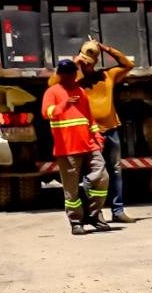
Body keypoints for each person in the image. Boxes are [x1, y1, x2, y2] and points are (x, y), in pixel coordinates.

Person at [42, 59, 110, 236]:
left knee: (102, 177)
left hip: (89, 145)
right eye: (65, 73)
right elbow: (47, 112)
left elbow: (89, 119)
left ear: (75, 74)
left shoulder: (81, 91)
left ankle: (94, 215)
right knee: (71, 189)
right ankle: (76, 221)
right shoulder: (52, 92)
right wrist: (64, 105)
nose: (69, 76)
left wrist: (97, 138)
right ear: (59, 74)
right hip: (67, 149)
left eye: (71, 73)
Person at [72, 41, 136, 222]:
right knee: (93, 173)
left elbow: (128, 64)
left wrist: (106, 48)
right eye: (84, 61)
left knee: (115, 170)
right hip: (91, 133)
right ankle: (95, 212)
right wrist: (75, 63)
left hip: (112, 129)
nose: (87, 65)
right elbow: (54, 83)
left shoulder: (107, 75)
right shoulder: (75, 81)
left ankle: (118, 211)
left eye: (90, 61)